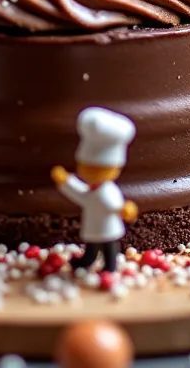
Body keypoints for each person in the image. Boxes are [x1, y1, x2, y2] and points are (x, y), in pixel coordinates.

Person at [51, 106, 137, 274]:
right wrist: (66, 182)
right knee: (92, 246)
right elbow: (80, 194)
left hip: (109, 228)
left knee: (109, 247)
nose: (89, 172)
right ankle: (86, 262)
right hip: (93, 226)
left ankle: (109, 267)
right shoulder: (91, 190)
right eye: (86, 167)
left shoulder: (108, 191)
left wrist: (124, 210)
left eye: (96, 168)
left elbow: (114, 205)